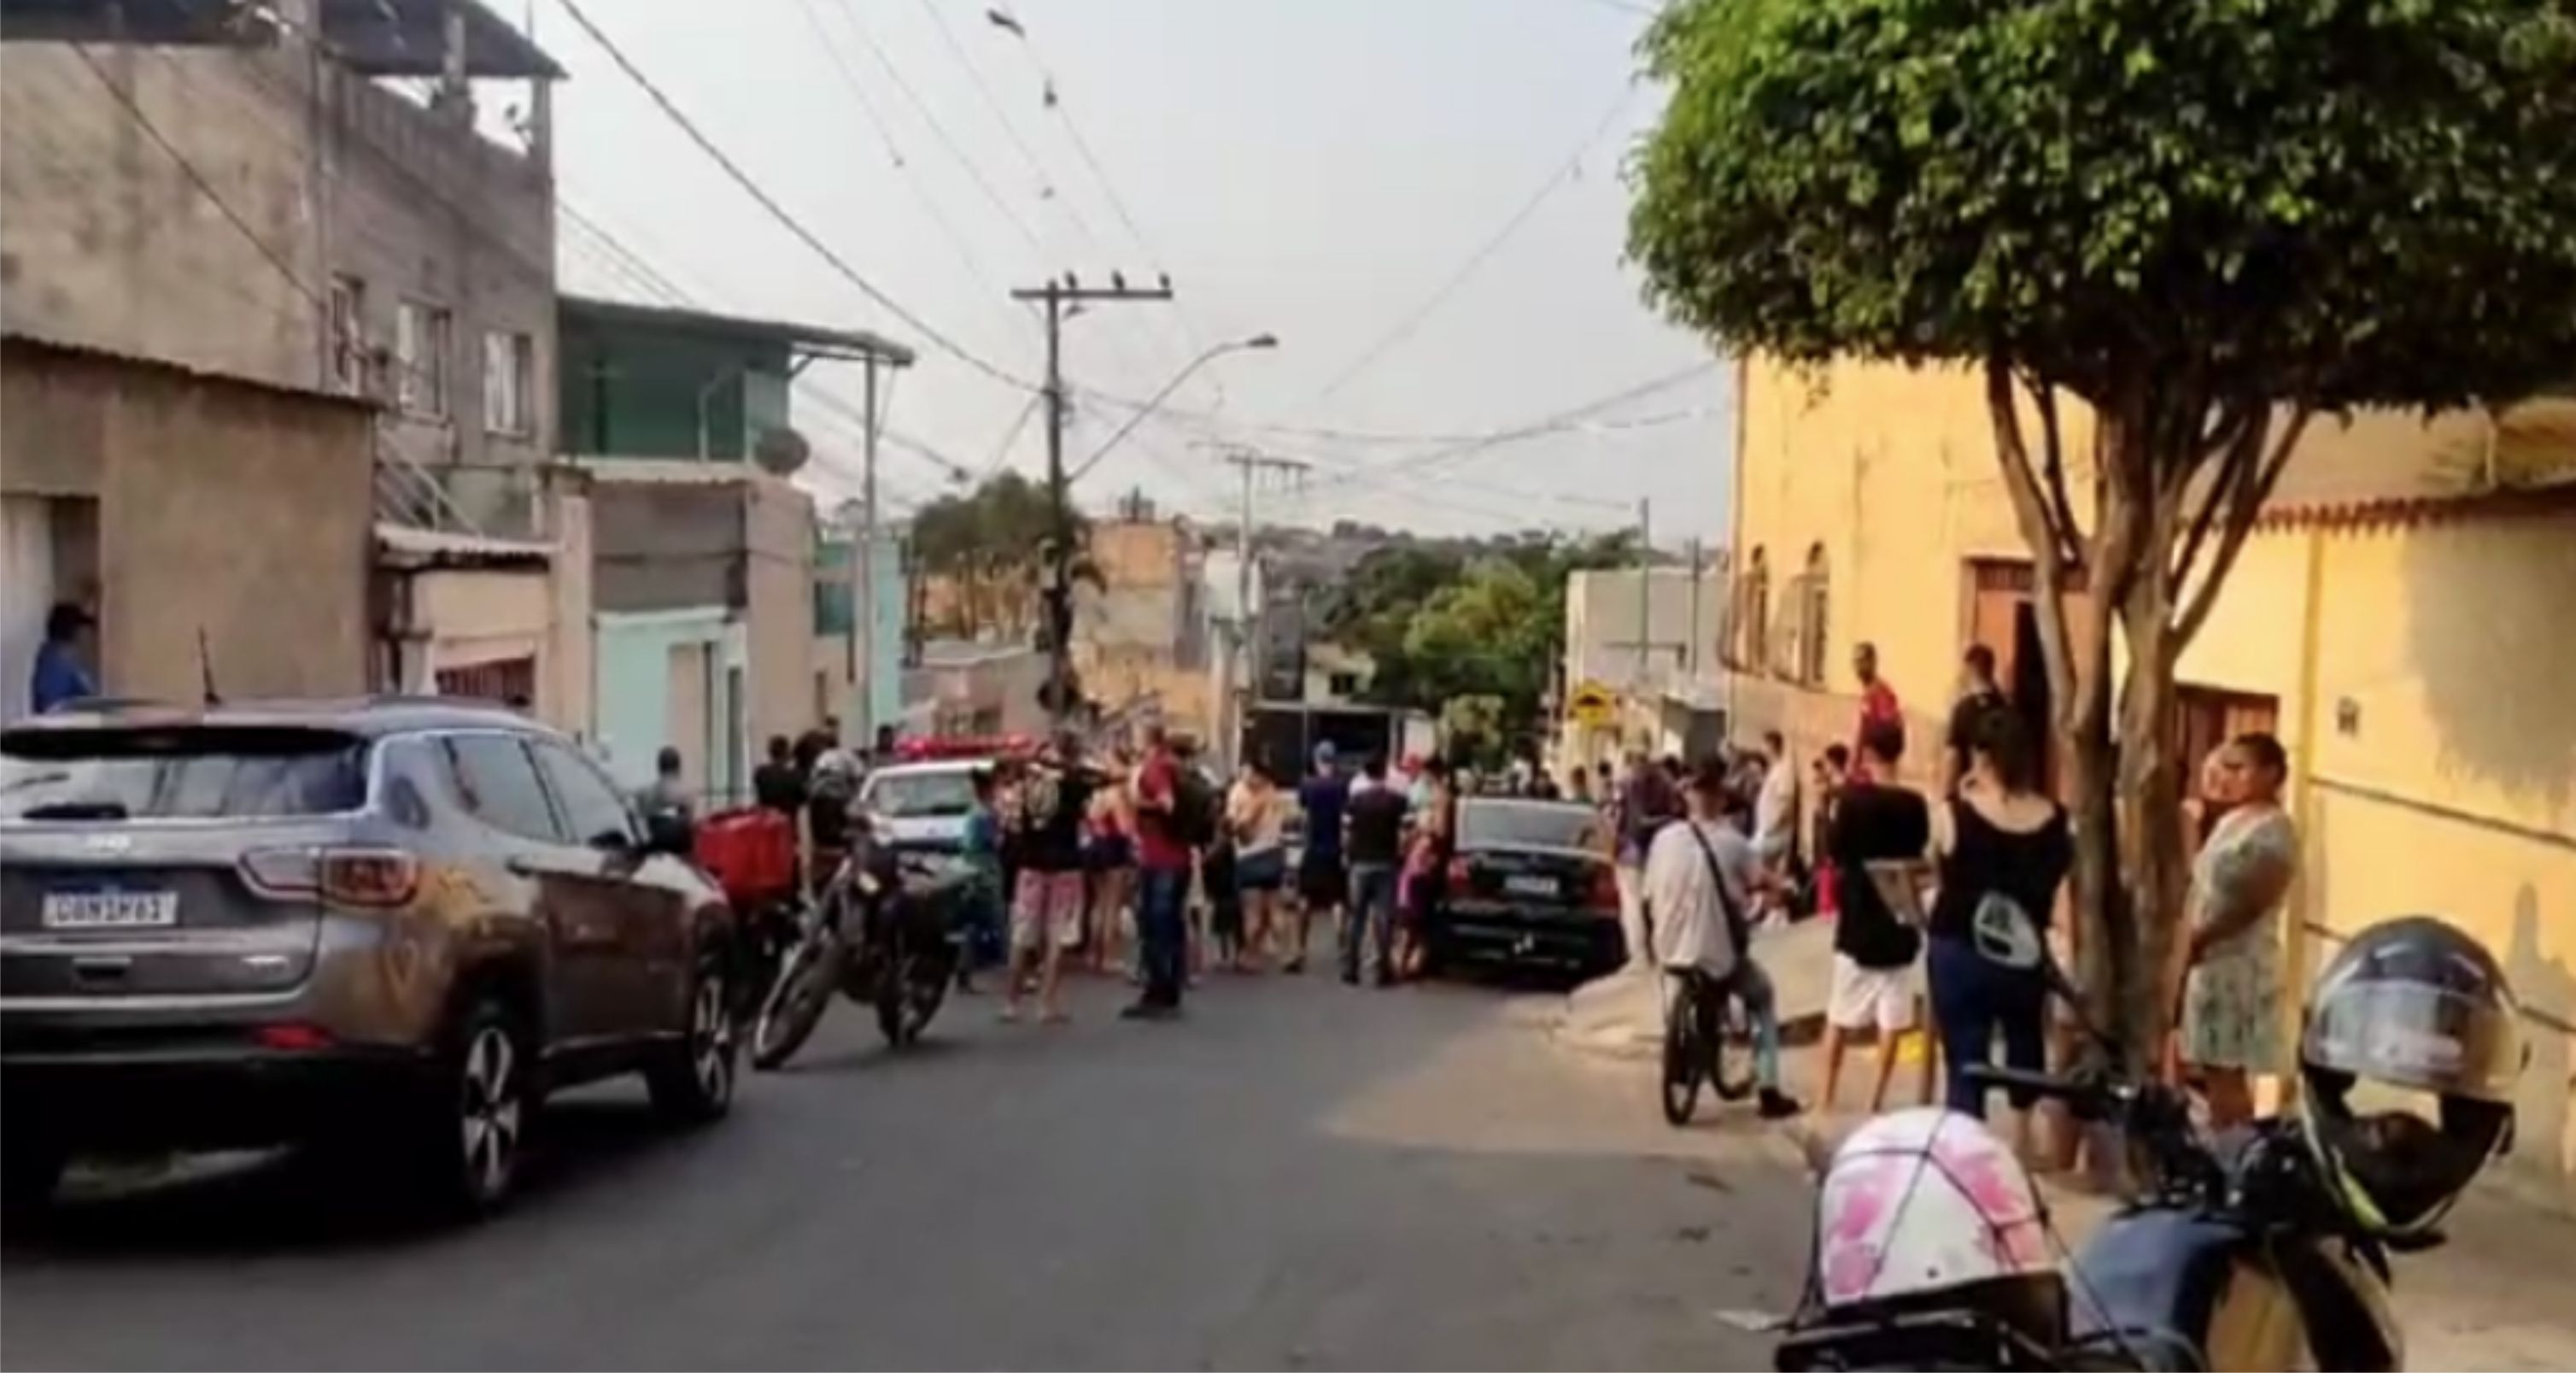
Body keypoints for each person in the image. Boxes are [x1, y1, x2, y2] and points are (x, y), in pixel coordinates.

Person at [1924, 709, 2072, 1162]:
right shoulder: (2055, 820)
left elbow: (1934, 867)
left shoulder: (1954, 815)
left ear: (1981, 757)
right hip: (2024, 953)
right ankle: (2023, 1138)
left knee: (1966, 1052)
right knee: (2024, 1037)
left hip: (1960, 947)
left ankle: (1966, 1148)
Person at [1644, 757, 1802, 1120]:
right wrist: (1786, 888)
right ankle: (1769, 1090)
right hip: (1717, 954)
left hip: (1668, 949)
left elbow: (1649, 893)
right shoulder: (1734, 844)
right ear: (1720, 800)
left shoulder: (1663, 840)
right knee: (1762, 997)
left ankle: (1679, 1051)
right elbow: (1764, 880)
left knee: (1672, 992)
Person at [2176, 732, 2300, 1130]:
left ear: (2271, 774)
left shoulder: (2274, 830)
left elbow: (2250, 902)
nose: (2227, 777)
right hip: (2209, 964)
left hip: (2238, 964)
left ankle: (2241, 1152)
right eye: (2223, 767)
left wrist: (2198, 939)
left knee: (2230, 1074)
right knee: (2213, 1073)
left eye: (2238, 768)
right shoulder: (2230, 820)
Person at [1818, 719, 1935, 1113]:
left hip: (1858, 918)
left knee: (1838, 1016)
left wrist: (1825, 809)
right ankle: (1875, 1101)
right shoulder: (1915, 805)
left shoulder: (1852, 802)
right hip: (1899, 919)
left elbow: (1834, 850)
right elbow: (1918, 851)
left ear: (1867, 754)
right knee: (1892, 1020)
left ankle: (1825, 1099)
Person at [1002, 734, 1092, 1025]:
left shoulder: (1026, 784)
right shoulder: (1072, 784)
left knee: (1022, 933)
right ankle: (1046, 1003)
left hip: (1030, 864)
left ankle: (1011, 1002)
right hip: (1065, 865)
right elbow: (1102, 782)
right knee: (1059, 935)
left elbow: (1013, 823)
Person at [1127, 725, 1196, 1019]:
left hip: (1161, 858)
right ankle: (1171, 985)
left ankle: (1158, 988)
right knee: (1170, 924)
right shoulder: (1172, 766)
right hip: (1177, 856)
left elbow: (1167, 804)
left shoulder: (1155, 769)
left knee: (1155, 926)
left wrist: (1140, 804)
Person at [1341, 754, 1409, 986]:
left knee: (1356, 917)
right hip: (1386, 863)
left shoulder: (1356, 800)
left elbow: (1347, 833)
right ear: (1384, 773)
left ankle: (1351, 967)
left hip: (1360, 863)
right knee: (1383, 918)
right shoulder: (1397, 801)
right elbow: (1405, 832)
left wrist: (1348, 856)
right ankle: (1382, 970)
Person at [1611, 752, 1682, 971]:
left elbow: (1619, 818)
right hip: (1661, 849)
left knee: (1633, 905)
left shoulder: (1628, 784)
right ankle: (1661, 950)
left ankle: (1640, 955)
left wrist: (1615, 843)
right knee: (1658, 902)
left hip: (1634, 850)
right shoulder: (1667, 784)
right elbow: (1678, 812)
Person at [1395, 757, 1455, 979]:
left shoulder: (1440, 797)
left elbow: (1439, 831)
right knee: (1419, 914)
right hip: (1425, 859)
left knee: (1414, 914)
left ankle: (1408, 962)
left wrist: (1422, 833)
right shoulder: (1439, 796)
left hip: (1425, 861)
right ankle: (1415, 961)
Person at [1293, 743, 1351, 975]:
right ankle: (1342, 947)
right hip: (1334, 849)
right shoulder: (1341, 786)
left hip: (1312, 848)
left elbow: (1302, 813)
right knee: (1338, 901)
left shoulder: (1307, 785)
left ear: (1317, 760)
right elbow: (1346, 817)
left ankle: (1300, 949)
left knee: (1305, 899)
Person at [1227, 762, 1291, 971]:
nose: (1244, 776)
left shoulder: (1241, 794)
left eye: (1248, 772)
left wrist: (1235, 827)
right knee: (1274, 907)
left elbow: (1242, 828)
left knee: (1252, 910)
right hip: (1273, 853)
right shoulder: (1273, 793)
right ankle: (1288, 953)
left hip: (1250, 857)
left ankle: (1249, 956)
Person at [956, 767, 1006, 993]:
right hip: (984, 871)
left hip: (970, 868)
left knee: (971, 923)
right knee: (991, 919)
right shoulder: (985, 814)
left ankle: (964, 970)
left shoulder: (974, 812)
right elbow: (994, 842)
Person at [1083, 767, 1137, 976]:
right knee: (1112, 906)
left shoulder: (1097, 797)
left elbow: (1091, 821)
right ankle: (1108, 957)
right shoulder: (1117, 798)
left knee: (1098, 903)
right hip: (1113, 850)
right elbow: (1124, 829)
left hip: (1095, 847)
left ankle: (1092, 953)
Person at [1944, 644, 2011, 795]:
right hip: (2001, 794)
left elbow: (1953, 758)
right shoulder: (2007, 709)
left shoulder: (1963, 710)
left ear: (1969, 671)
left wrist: (1946, 794)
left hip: (1970, 792)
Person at [1850, 642, 1904, 783]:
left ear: (1873, 662)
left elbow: (1889, 728)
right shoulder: (1867, 693)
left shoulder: (1881, 692)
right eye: (1855, 662)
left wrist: (1872, 751)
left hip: (1880, 764)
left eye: (1862, 661)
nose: (1858, 667)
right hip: (1869, 764)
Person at [30, 602, 97, 714]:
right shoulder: (61, 657)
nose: (85, 634)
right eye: (81, 628)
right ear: (72, 630)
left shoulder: (50, 653)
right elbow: (50, 705)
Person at [635, 746, 694, 826]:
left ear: (659, 767)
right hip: (679, 837)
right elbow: (689, 823)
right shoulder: (688, 793)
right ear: (678, 768)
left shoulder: (643, 793)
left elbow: (640, 822)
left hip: (652, 837)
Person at [752, 735, 806, 816]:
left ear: (770, 752)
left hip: (767, 819)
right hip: (787, 821)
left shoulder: (761, 772)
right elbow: (803, 797)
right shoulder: (794, 774)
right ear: (786, 752)